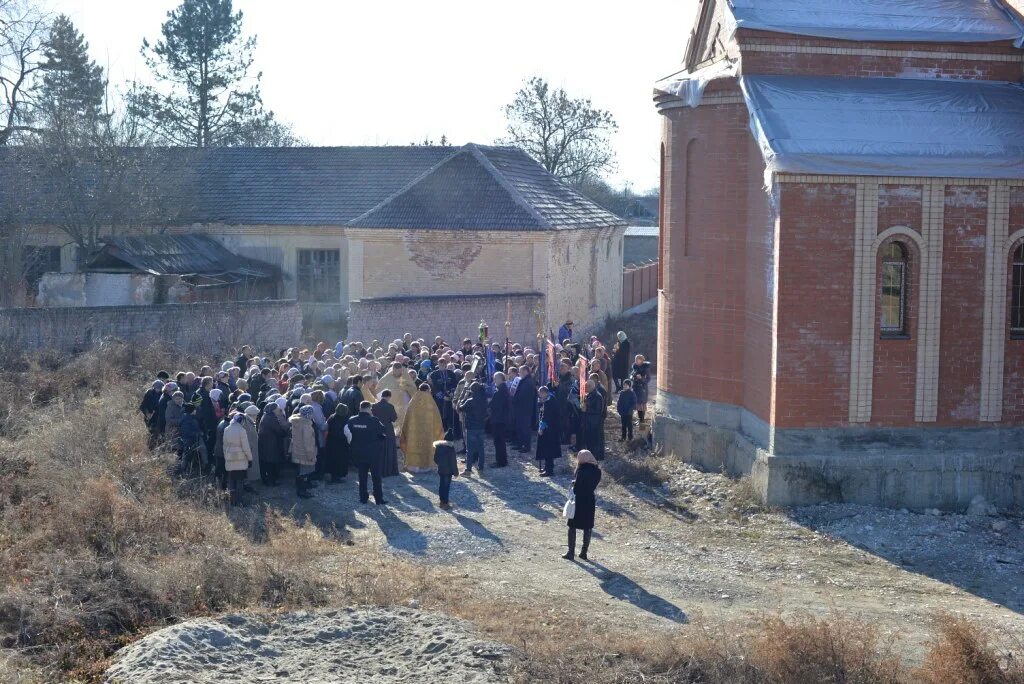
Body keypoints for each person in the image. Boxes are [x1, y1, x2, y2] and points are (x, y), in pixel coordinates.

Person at [345, 401, 387, 505]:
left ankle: (363, 498)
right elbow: (383, 430)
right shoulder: (374, 420)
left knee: (362, 475)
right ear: (369, 408)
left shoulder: (352, 420)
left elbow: (347, 433)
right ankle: (378, 499)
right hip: (373, 453)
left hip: (359, 452)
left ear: (359, 408)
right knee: (376, 477)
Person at [564, 450, 602, 560]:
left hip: (578, 500)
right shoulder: (597, 471)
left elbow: (577, 487)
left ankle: (571, 552)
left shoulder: (581, 470)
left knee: (572, 526)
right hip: (589, 499)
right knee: (588, 527)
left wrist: (574, 483)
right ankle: (584, 553)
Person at [399, 384, 445, 472]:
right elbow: (437, 419)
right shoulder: (430, 401)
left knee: (414, 445)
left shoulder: (413, 400)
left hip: (414, 431)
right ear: (428, 390)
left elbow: (407, 416)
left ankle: (413, 466)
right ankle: (426, 466)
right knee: (427, 445)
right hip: (427, 430)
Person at [222, 413, 253, 505]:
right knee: (239, 481)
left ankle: (232, 501)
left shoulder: (226, 429)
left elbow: (224, 445)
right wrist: (250, 458)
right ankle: (240, 501)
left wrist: (226, 456)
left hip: (229, 457)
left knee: (231, 480)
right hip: (240, 458)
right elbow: (246, 447)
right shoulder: (242, 430)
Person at [289, 405, 319, 499]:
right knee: (304, 473)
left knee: (300, 471)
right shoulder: (306, 425)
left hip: (297, 450)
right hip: (305, 452)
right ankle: (302, 491)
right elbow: (308, 442)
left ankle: (301, 488)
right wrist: (311, 455)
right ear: (308, 414)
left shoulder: (296, 421)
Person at [458, 381, 487, 475]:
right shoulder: (484, 400)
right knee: (481, 448)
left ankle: (468, 469)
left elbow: (460, 408)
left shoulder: (470, 401)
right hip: (481, 426)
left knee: (470, 449)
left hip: (471, 427)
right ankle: (481, 467)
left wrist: (463, 398)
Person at [257, 403, 287, 486]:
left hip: (267, 442)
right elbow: (279, 430)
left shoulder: (266, 416)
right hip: (271, 444)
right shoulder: (271, 418)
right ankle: (271, 481)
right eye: (277, 408)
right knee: (271, 463)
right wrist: (285, 432)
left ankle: (268, 480)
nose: (279, 410)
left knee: (267, 462)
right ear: (273, 409)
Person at [535, 385, 562, 477]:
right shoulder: (546, 401)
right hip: (548, 429)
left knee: (548, 450)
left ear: (544, 393)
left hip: (550, 430)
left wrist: (541, 428)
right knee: (545, 449)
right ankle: (547, 467)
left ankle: (549, 470)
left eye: (540, 393)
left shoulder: (550, 402)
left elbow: (547, 417)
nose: (539, 395)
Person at [373, 390, 400, 477]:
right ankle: (389, 470)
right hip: (388, 429)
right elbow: (394, 418)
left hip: (377, 429)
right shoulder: (390, 406)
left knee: (378, 449)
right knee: (389, 449)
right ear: (389, 397)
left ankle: (378, 470)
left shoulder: (374, 406)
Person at [488, 372, 511, 467]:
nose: (494, 381)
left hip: (499, 420)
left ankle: (500, 461)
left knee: (499, 441)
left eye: (496, 379)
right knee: (500, 441)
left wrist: (490, 403)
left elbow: (495, 406)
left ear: (501, 379)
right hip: (502, 419)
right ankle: (502, 460)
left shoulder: (500, 391)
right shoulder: (503, 389)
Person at [324, 403, 351, 483]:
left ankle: (333, 475)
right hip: (341, 442)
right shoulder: (344, 419)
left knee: (332, 458)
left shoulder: (332, 417)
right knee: (340, 460)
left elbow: (327, 427)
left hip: (331, 440)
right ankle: (336, 477)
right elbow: (345, 432)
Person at [512, 365, 535, 453]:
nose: (519, 373)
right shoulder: (524, 381)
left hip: (525, 409)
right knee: (519, 427)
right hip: (521, 408)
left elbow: (523, 396)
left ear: (526, 371)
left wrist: (514, 399)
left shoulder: (528, 382)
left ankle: (526, 446)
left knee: (525, 428)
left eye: (521, 371)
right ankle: (520, 444)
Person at [433, 435, 459, 510]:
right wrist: (456, 473)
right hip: (448, 472)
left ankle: (441, 500)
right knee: (446, 487)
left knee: (441, 485)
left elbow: (435, 459)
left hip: (441, 470)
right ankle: (445, 502)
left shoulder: (439, 447)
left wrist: (440, 464)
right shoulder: (450, 448)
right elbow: (453, 462)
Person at [582, 379, 605, 460]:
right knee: (589, 441)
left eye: (586, 387)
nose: (585, 389)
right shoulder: (589, 394)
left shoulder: (597, 396)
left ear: (591, 387)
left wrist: (586, 409)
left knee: (595, 441)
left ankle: (596, 457)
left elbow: (598, 410)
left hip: (595, 423)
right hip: (589, 422)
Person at [140, 380, 164, 447]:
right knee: (150, 432)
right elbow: (142, 406)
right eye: (156, 388)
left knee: (157, 433)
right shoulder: (149, 393)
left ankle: (157, 447)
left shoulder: (163, 394)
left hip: (158, 417)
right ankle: (150, 447)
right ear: (153, 387)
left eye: (159, 388)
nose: (158, 389)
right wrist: (147, 413)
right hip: (149, 417)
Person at [242, 404, 261, 483]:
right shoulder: (247, 423)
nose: (257, 416)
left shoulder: (248, 420)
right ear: (252, 414)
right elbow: (248, 438)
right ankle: (248, 482)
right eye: (256, 414)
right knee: (250, 467)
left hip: (252, 448)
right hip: (251, 449)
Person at [631, 355, 651, 424]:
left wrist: (641, 378)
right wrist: (633, 377)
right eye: (635, 359)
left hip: (643, 388)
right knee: (638, 404)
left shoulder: (645, 368)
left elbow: (648, 379)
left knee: (642, 404)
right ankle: (640, 420)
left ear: (641, 360)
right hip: (636, 387)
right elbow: (631, 375)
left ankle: (642, 420)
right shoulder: (635, 367)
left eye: (637, 359)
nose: (636, 361)